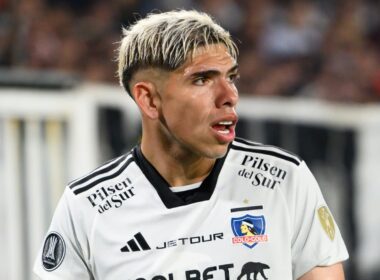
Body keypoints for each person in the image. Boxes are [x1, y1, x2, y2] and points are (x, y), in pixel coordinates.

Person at [33, 10, 349, 280]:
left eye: (231, 77)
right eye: (202, 80)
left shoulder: (283, 179)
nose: (229, 95)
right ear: (149, 99)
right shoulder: (87, 205)